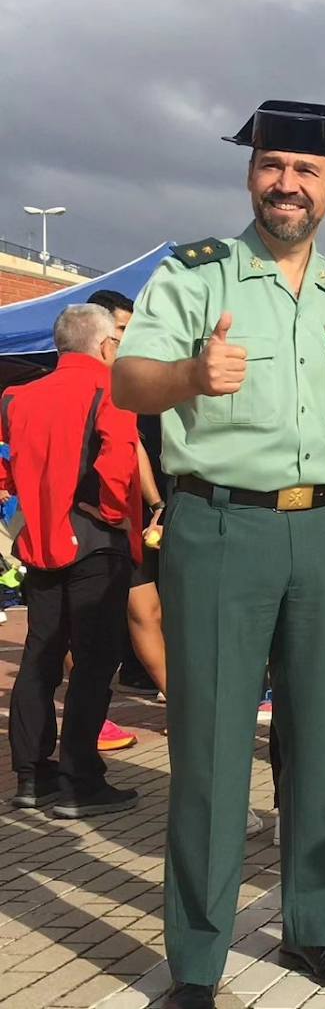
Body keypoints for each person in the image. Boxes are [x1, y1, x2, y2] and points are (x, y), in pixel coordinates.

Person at [112, 100, 325, 1009]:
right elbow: (126, 379)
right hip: (222, 525)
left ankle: (315, 926)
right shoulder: (195, 277)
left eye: (307, 170)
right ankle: (196, 958)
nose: (287, 183)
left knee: (321, 741)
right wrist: (191, 375)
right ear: (251, 174)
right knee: (215, 745)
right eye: (273, 165)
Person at [2, 303, 142, 817]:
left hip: (38, 539)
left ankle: (32, 776)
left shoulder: (17, 397)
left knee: (40, 657)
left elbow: (7, 468)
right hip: (93, 539)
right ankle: (81, 777)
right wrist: (108, 513)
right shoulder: (110, 388)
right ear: (105, 345)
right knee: (95, 661)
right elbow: (119, 460)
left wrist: (30, 507)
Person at [89, 289, 171, 701]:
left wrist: (157, 505)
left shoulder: (135, 382)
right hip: (92, 526)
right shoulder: (103, 388)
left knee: (147, 609)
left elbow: (137, 449)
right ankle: (90, 714)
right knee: (82, 622)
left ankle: (179, 703)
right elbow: (132, 448)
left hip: (133, 518)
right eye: (123, 329)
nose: (129, 338)